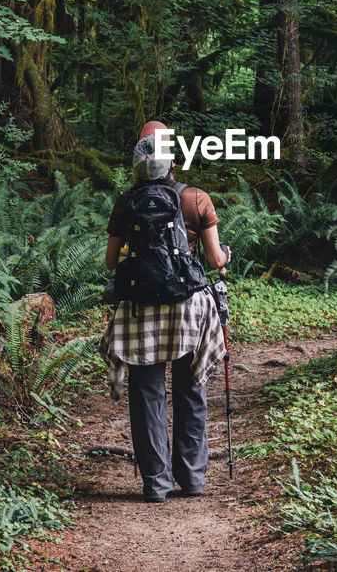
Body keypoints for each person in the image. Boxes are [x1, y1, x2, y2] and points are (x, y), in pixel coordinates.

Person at [102, 120, 231, 502]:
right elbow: (214, 259)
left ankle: (155, 483)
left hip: (140, 309)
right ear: (172, 159)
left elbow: (111, 262)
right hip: (188, 308)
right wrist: (225, 257)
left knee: (146, 393)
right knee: (191, 389)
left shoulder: (127, 203)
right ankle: (191, 479)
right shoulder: (195, 199)